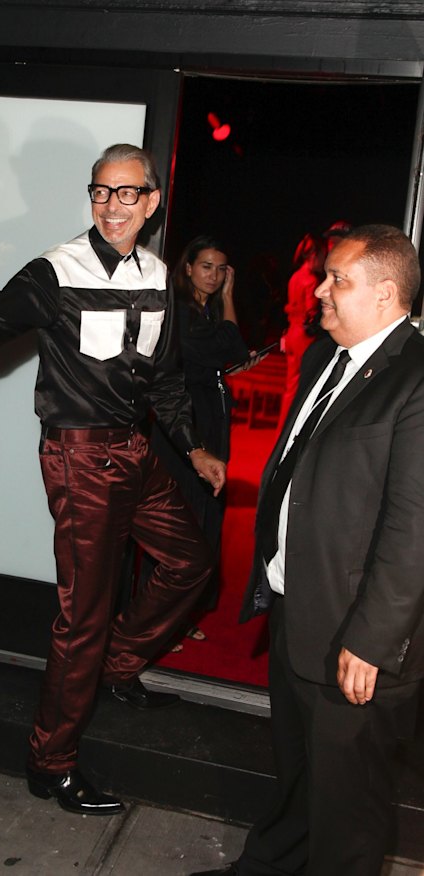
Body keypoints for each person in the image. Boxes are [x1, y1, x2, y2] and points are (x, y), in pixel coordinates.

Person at [0, 143, 227, 817]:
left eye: (127, 192)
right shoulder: (56, 270)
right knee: (83, 615)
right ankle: (51, 763)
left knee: (192, 561)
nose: (111, 205)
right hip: (81, 459)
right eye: (101, 191)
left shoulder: (160, 276)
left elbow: (166, 379)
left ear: (151, 202)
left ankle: (116, 667)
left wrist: (193, 447)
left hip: (137, 451)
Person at [191, 224, 424, 876]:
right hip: (298, 607)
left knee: (349, 812)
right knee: (298, 775)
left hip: (358, 638)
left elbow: (414, 529)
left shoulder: (416, 379)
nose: (319, 291)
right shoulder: (325, 357)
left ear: (385, 294)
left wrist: (371, 641)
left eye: (337, 281)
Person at [146, 236, 249, 645]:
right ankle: (158, 621)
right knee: (179, 523)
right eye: (206, 266)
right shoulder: (180, 311)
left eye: (222, 269)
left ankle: (179, 614)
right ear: (187, 268)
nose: (215, 275)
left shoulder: (206, 310)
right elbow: (232, 347)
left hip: (208, 422)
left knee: (203, 519)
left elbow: (232, 348)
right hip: (181, 426)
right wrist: (230, 299)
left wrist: (226, 299)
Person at [276, 232, 326, 432]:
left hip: (291, 333)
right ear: (314, 255)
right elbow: (311, 313)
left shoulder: (295, 276)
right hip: (304, 336)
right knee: (301, 386)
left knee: (290, 387)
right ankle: (291, 429)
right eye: (323, 256)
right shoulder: (311, 280)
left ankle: (282, 428)